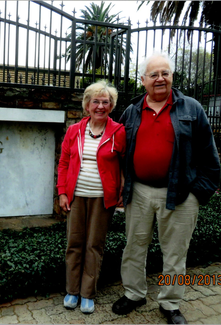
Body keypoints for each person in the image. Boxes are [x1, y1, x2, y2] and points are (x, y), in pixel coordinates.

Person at [112, 52, 221, 324]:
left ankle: (170, 303)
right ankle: (134, 294)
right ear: (143, 81)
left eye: (165, 73)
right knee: (134, 247)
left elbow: (210, 156)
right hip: (138, 192)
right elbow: (119, 152)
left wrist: (198, 193)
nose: (160, 79)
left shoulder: (192, 108)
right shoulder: (132, 111)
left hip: (181, 194)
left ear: (172, 76)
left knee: (175, 252)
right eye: (153, 74)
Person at [57, 80, 126, 314]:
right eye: (95, 101)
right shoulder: (73, 131)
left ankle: (88, 293)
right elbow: (64, 162)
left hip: (102, 199)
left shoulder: (118, 131)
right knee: (74, 244)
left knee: (94, 246)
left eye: (105, 102)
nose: (100, 106)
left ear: (111, 106)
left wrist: (121, 192)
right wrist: (62, 192)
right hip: (76, 197)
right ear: (87, 105)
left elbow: (124, 165)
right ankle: (72, 291)